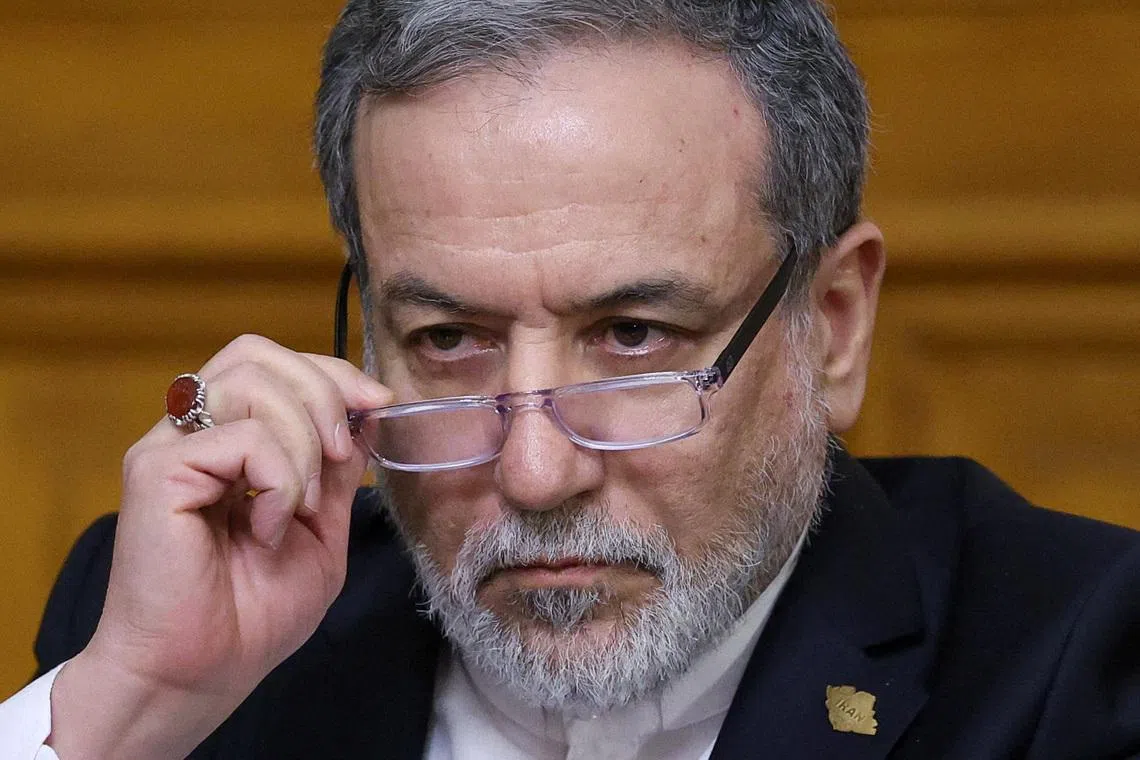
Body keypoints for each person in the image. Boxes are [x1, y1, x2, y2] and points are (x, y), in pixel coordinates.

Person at [3, 0, 1139, 757]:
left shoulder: (1074, 660)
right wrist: (135, 704)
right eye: (449, 338)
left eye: (635, 335)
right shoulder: (183, 632)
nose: (536, 472)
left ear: (831, 327)